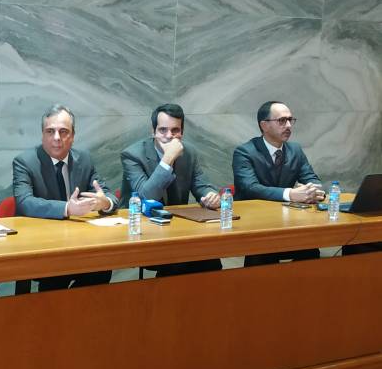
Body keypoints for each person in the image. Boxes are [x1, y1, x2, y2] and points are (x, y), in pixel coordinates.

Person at [12, 104, 117, 291]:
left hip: (80, 244)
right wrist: (67, 208)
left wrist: (104, 202)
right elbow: (24, 202)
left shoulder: (84, 159)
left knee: (102, 269)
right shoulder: (25, 162)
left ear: (73, 136)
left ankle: (75, 308)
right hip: (43, 246)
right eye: (50, 131)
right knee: (55, 278)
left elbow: (108, 195)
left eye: (63, 132)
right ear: (42, 135)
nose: (56, 138)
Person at [120, 103, 222, 276]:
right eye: (163, 130)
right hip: (141, 226)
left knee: (210, 260)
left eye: (175, 130)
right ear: (153, 131)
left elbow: (202, 185)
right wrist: (168, 159)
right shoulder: (132, 155)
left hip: (177, 226)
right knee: (177, 261)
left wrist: (210, 195)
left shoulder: (189, 152)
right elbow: (146, 197)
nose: (169, 136)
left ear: (182, 132)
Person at [233, 101, 325, 266]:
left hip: (290, 222)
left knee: (311, 250)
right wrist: (291, 194)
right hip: (256, 225)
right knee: (263, 258)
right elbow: (250, 188)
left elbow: (312, 178)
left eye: (290, 120)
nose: (288, 125)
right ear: (264, 125)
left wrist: (312, 190)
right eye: (282, 121)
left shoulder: (295, 150)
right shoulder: (245, 152)